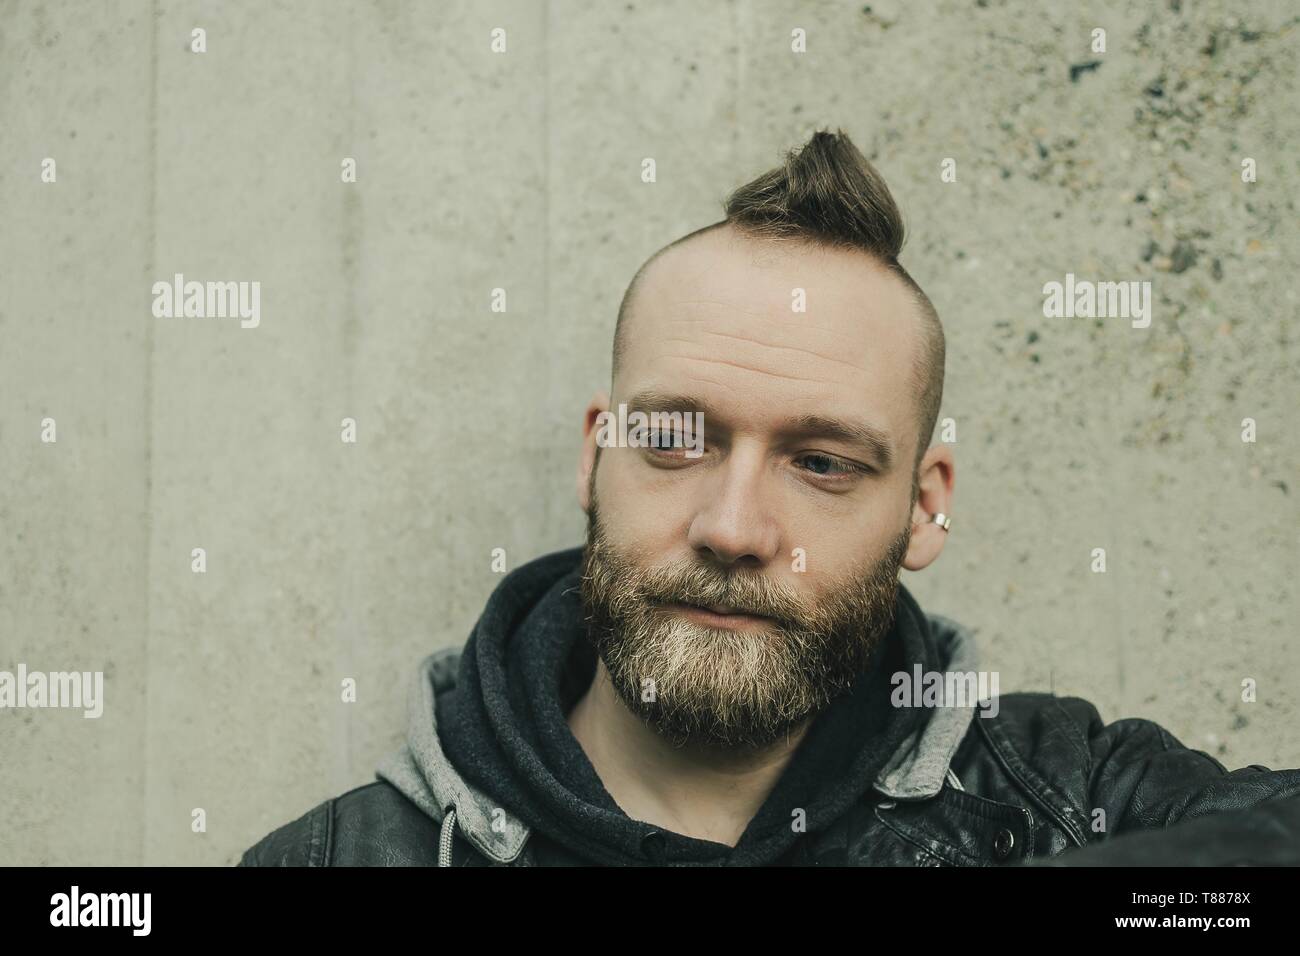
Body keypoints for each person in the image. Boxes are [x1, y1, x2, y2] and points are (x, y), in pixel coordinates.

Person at [241, 129, 1300, 867]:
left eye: (823, 462)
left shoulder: (1069, 797)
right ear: (594, 453)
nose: (734, 528)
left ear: (925, 508)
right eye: (672, 439)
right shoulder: (337, 859)